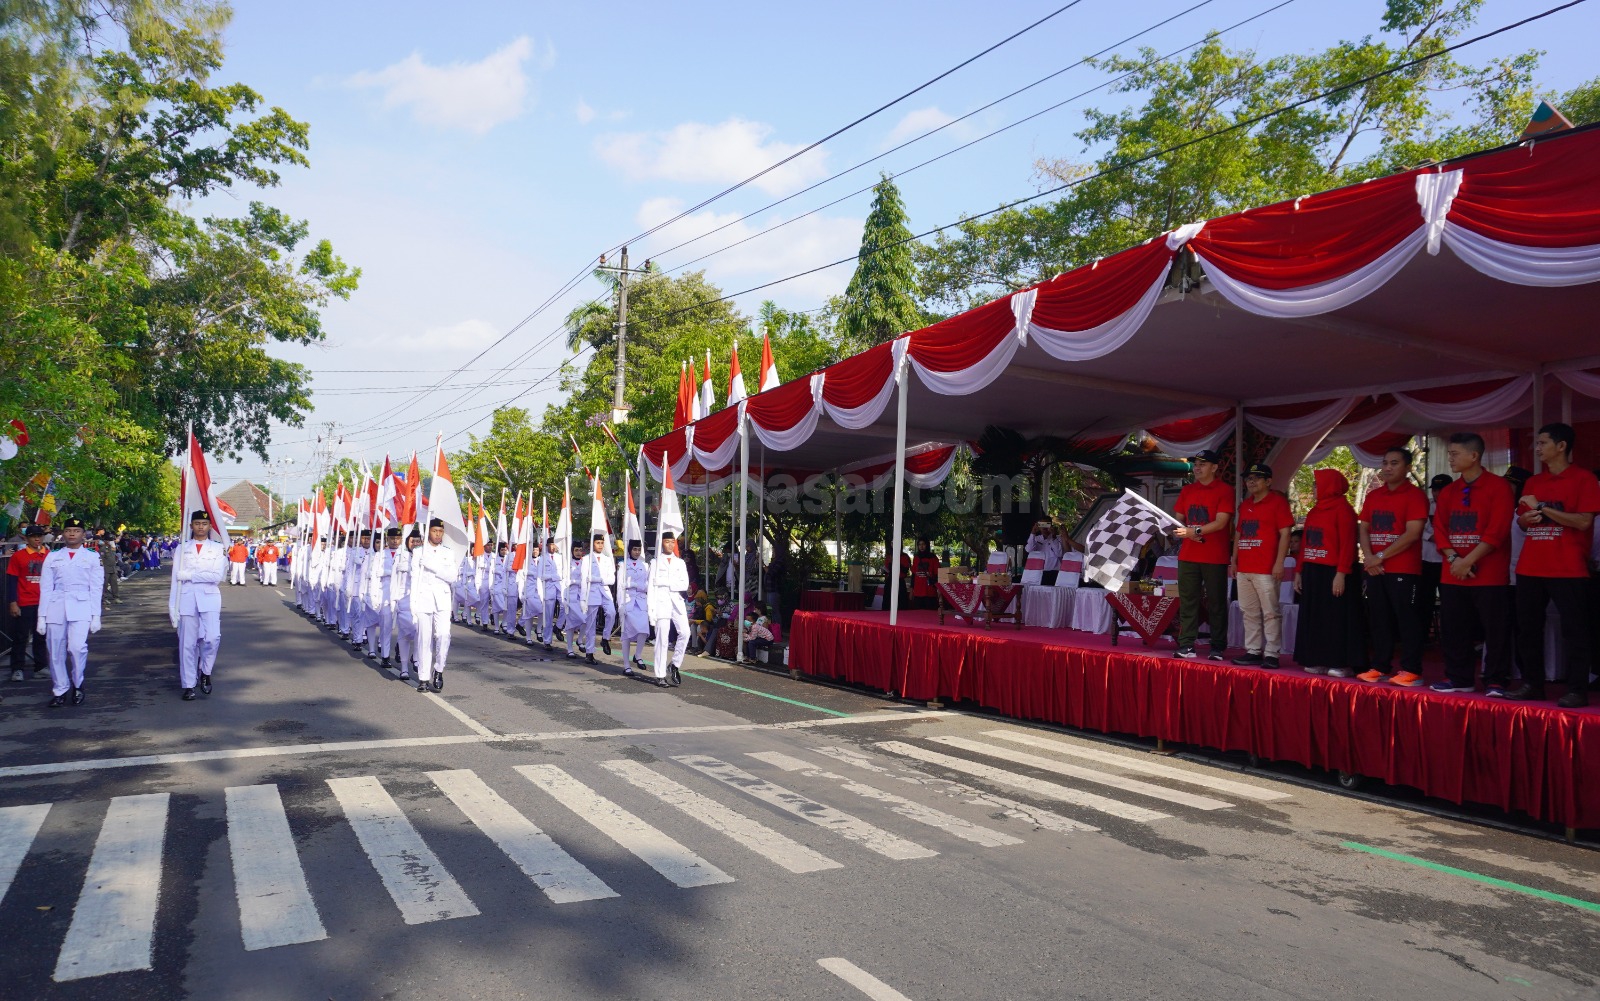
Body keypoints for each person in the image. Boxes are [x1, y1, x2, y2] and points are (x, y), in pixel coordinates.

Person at [1510, 423, 1600, 708]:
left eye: (1542, 443)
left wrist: (1542, 509)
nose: (1536, 449)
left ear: (1561, 446)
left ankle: (1576, 689)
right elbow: (1523, 519)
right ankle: (1532, 683)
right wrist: (1528, 518)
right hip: (1530, 566)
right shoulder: (1533, 482)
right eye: (1536, 444)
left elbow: (1584, 521)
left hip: (1568, 567)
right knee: (1528, 629)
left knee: (1575, 630)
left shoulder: (1584, 479)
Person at [1430, 433, 1515, 696]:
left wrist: (1469, 560)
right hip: (1453, 572)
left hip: (1489, 573)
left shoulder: (1499, 487)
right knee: (1454, 628)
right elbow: (1440, 528)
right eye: (1449, 454)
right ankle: (1459, 678)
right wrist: (1455, 559)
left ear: (1474, 456)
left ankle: (1496, 680)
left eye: (1455, 454)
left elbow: (1497, 531)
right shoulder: (1449, 492)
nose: (1450, 459)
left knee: (1495, 629)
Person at [1357, 447, 1428, 686]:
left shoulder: (1415, 495)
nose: (1387, 467)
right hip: (1375, 567)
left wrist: (1380, 556)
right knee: (1379, 618)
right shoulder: (1374, 496)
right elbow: (1364, 528)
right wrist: (1368, 556)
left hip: (1403, 569)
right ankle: (1380, 666)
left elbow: (1413, 534)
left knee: (1406, 619)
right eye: (1385, 462)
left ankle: (1411, 670)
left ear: (1408, 467)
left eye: (1394, 463)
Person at [1294, 468, 1365, 676]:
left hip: (1334, 571)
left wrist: (1342, 573)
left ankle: (1340, 662)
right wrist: (1299, 571)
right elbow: (1306, 543)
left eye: (1317, 484)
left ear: (1329, 485)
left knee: (1336, 617)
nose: (1314, 488)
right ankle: (1318, 659)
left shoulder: (1344, 510)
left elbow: (1348, 544)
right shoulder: (1315, 511)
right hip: (1313, 570)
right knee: (1316, 616)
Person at [1171, 449, 1235, 660]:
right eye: (1196, 464)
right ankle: (1187, 644)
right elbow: (1178, 520)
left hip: (1215, 555)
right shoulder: (1187, 490)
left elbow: (1222, 522)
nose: (1197, 468)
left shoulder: (1225, 490)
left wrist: (1194, 531)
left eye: (1203, 464)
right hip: (1188, 554)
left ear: (1215, 467)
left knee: (1216, 602)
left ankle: (1217, 646)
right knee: (1188, 601)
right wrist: (1186, 533)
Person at [1231, 463, 1293, 669]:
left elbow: (1285, 533)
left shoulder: (1278, 503)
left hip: (1266, 567)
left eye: (1257, 477)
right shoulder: (1245, 504)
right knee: (1248, 611)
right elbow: (1239, 533)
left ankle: (1272, 653)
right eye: (1249, 478)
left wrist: (1279, 562)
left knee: (1270, 612)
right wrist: (1234, 560)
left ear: (1268, 481)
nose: (1251, 481)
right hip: (1245, 566)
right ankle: (1253, 650)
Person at [37, 518, 102, 707]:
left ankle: (78, 684)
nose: (72, 534)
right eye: (68, 530)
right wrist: (42, 616)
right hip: (56, 606)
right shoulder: (53, 556)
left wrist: (96, 615)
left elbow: (96, 587)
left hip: (81, 605)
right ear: (63, 534)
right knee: (55, 651)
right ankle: (60, 689)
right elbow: (46, 587)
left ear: (83, 534)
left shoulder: (91, 556)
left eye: (76, 530)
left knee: (76, 648)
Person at [174, 510, 228, 701]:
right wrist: (172, 607)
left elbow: (216, 577)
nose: (200, 527)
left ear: (209, 527)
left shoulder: (217, 548)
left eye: (204, 524)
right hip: (187, 599)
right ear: (191, 526)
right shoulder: (182, 548)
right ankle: (189, 685)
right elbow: (175, 580)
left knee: (212, 638)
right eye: (197, 523)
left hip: (210, 597)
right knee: (187, 644)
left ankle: (205, 671)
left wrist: (190, 576)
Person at [411, 519, 460, 693]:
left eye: (440, 531)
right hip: (424, 599)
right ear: (429, 532)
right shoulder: (418, 552)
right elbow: (414, 580)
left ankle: (438, 669)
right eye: (434, 531)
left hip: (443, 600)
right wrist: (413, 606)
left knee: (443, 635)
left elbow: (452, 577)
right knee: (424, 640)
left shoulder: (448, 552)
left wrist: (432, 566)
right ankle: (423, 678)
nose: (438, 534)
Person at [6, 525, 50, 682]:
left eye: (40, 536)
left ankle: (40, 666)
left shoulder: (49, 555)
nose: (37, 539)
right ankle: (17, 669)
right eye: (33, 536)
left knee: (41, 636)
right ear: (26, 538)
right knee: (20, 637)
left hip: (44, 602)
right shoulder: (18, 556)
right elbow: (12, 581)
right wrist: (13, 602)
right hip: (24, 601)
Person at [649, 532, 690, 687]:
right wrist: (651, 609)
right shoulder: (655, 562)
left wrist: (664, 582)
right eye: (667, 542)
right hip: (660, 602)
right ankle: (660, 675)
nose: (670, 545)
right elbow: (651, 587)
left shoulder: (680, 563)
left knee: (685, 633)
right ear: (662, 543)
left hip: (676, 602)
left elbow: (684, 585)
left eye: (672, 542)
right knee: (662, 639)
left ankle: (674, 664)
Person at [1419, 473, 1452, 637]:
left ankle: (1449, 635)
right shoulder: (1426, 505)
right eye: (1435, 490)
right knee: (1424, 599)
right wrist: (1434, 538)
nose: (1437, 493)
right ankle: (1423, 634)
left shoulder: (1457, 506)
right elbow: (1420, 529)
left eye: (1441, 490)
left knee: (1450, 600)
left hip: (1449, 560)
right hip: (1427, 558)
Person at [366, 527, 402, 665]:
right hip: (385, 595)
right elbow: (374, 574)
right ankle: (386, 656)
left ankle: (400, 649)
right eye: (392, 538)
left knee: (405, 627)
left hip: (402, 595)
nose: (395, 541)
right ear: (387, 539)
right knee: (386, 627)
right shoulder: (379, 555)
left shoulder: (405, 554)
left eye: (397, 538)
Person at [581, 532, 617, 664]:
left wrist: (597, 579)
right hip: (592, 592)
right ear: (593, 544)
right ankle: (589, 652)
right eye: (598, 543)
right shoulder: (586, 559)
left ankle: (605, 638)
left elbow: (612, 579)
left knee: (612, 613)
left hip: (605, 590)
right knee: (591, 624)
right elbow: (584, 580)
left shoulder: (608, 559)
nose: (600, 545)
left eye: (602, 543)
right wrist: (583, 599)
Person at [619, 539, 651, 674]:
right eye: (634, 549)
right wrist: (620, 605)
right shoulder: (623, 565)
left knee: (644, 629)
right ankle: (626, 665)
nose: (637, 552)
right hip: (627, 601)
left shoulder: (645, 566)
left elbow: (648, 585)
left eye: (639, 549)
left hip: (641, 601)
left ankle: (638, 655)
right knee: (625, 634)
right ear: (630, 550)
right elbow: (620, 586)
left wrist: (636, 586)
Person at [393, 528, 421, 678]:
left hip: (420, 601)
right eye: (413, 541)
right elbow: (393, 580)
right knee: (404, 634)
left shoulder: (425, 557)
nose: (415, 543)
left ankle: (415, 657)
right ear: (407, 542)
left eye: (418, 541)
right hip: (403, 600)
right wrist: (393, 600)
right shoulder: (400, 556)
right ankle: (404, 668)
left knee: (420, 630)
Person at [538, 537, 564, 650]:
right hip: (548, 588)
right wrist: (552, 577)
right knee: (548, 616)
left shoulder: (561, 558)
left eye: (555, 544)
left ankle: (558, 627)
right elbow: (540, 576)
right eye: (551, 544)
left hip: (560, 586)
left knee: (565, 606)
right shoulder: (542, 559)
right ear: (547, 545)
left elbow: (564, 573)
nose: (553, 547)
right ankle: (547, 640)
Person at [911, 539, 941, 610]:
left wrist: (930, 576)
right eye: (919, 544)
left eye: (923, 544)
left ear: (927, 545)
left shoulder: (933, 558)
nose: (921, 546)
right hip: (918, 590)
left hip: (929, 591)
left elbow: (938, 574)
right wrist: (912, 589)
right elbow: (913, 574)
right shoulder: (916, 558)